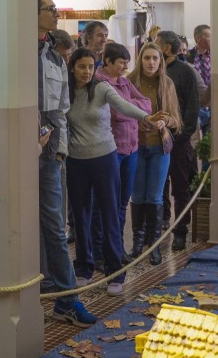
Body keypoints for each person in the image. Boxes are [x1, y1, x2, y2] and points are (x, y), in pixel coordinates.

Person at [67, 48, 164, 295]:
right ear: (72, 68)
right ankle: (84, 268)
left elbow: (123, 105)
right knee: (81, 216)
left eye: (90, 66)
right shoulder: (65, 92)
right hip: (76, 162)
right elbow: (56, 118)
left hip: (105, 158)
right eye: (81, 67)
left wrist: (146, 117)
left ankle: (115, 273)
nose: (87, 71)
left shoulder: (101, 88)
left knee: (110, 214)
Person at [37, 0, 99, 327]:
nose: (55, 14)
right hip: (15, 155)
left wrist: (59, 150)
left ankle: (66, 299)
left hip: (48, 157)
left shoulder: (55, 58)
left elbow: (60, 110)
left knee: (55, 229)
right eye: (49, 9)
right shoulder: (12, 54)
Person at [94, 42, 151, 260]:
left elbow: (146, 103)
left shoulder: (125, 83)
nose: (125, 67)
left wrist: (131, 108)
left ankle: (116, 249)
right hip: (111, 151)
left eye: (127, 62)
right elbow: (116, 113)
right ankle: (101, 251)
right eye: (121, 63)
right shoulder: (100, 83)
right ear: (107, 62)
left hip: (131, 150)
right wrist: (133, 110)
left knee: (121, 203)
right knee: (105, 204)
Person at [127, 42, 182, 265]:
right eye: (147, 58)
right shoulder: (130, 82)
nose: (151, 63)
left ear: (161, 62)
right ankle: (138, 242)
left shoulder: (166, 84)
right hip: (135, 146)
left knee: (155, 196)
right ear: (140, 60)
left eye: (155, 59)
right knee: (138, 195)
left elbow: (176, 120)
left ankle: (154, 245)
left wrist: (165, 120)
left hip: (160, 147)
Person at [154, 30, 200, 251]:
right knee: (157, 186)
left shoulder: (185, 72)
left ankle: (180, 230)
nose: (153, 50)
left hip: (178, 140)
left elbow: (192, 107)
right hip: (154, 138)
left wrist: (183, 134)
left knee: (180, 186)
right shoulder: (153, 71)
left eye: (157, 45)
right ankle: (156, 226)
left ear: (167, 48)